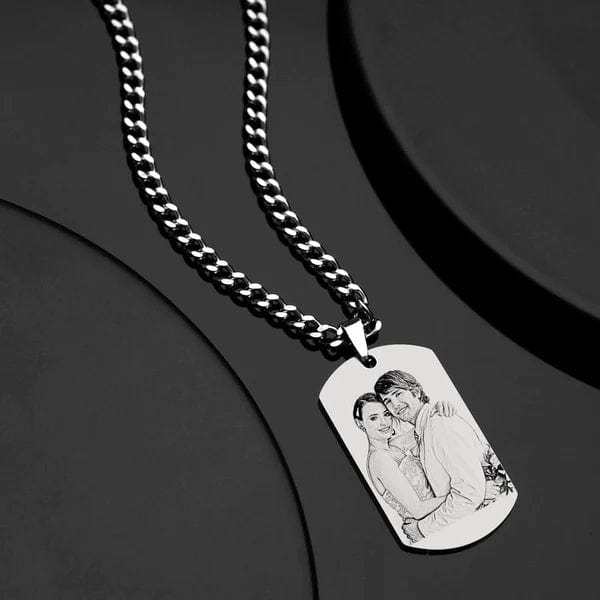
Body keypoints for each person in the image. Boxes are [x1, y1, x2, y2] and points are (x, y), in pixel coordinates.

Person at [375, 370, 489, 543]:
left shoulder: (439, 425)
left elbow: (470, 493)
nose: (395, 404)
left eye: (398, 394)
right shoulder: (424, 428)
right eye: (388, 401)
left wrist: (422, 529)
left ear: (416, 391)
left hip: (477, 525)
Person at [353, 394, 446, 523]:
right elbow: (418, 510)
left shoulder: (394, 446)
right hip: (430, 523)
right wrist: (458, 494)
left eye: (386, 414)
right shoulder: (379, 459)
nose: (384, 422)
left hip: (442, 515)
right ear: (360, 423)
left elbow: (425, 423)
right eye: (374, 418)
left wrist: (440, 407)